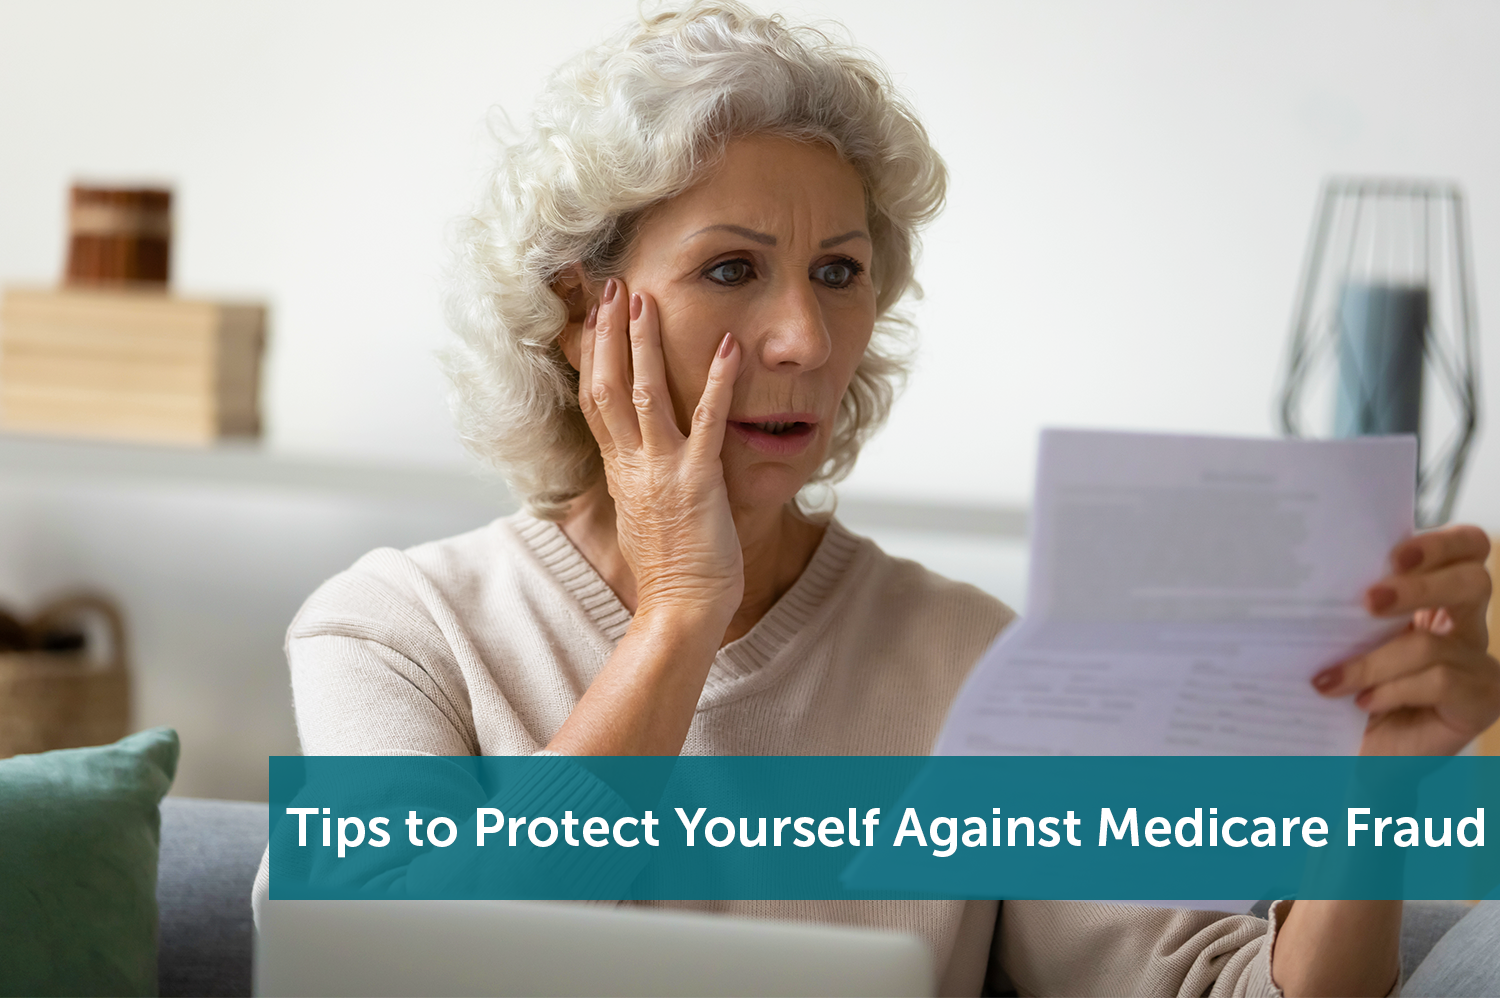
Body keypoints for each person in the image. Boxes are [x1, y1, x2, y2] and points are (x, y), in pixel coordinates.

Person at [252, 4, 1500, 994]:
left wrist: (1375, 803)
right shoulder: (396, 627)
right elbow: (407, 953)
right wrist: (684, 612)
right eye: (733, 267)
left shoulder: (968, 661)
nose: (803, 334)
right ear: (588, 309)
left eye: (839, 273)